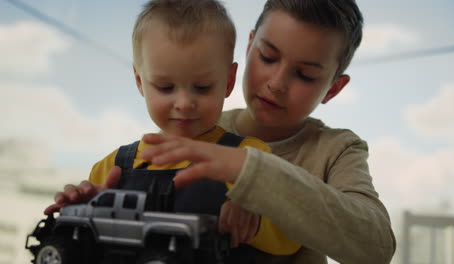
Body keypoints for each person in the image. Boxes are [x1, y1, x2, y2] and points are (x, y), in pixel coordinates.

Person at [139, 0, 397, 263]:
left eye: (305, 74)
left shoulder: (337, 149)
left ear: (332, 89)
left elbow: (377, 248)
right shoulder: (194, 123)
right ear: (250, 46)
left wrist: (252, 174)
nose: (277, 84)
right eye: (268, 57)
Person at [44, 0, 301, 257]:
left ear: (229, 81)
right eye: (165, 88)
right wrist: (80, 210)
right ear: (140, 82)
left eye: (202, 87)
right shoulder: (110, 167)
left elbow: (293, 238)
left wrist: (254, 214)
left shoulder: (250, 158)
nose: (184, 104)